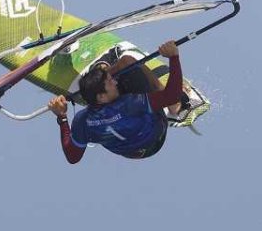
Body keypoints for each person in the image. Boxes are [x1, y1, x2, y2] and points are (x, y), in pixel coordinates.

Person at [47, 40, 183, 163]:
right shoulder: (130, 104)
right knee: (127, 62)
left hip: (130, 153)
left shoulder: (82, 121)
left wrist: (62, 117)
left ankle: (102, 67)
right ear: (101, 97)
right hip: (156, 136)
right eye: (110, 81)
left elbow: (73, 157)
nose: (115, 81)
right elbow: (172, 95)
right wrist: (174, 56)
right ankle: (172, 107)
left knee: (107, 75)